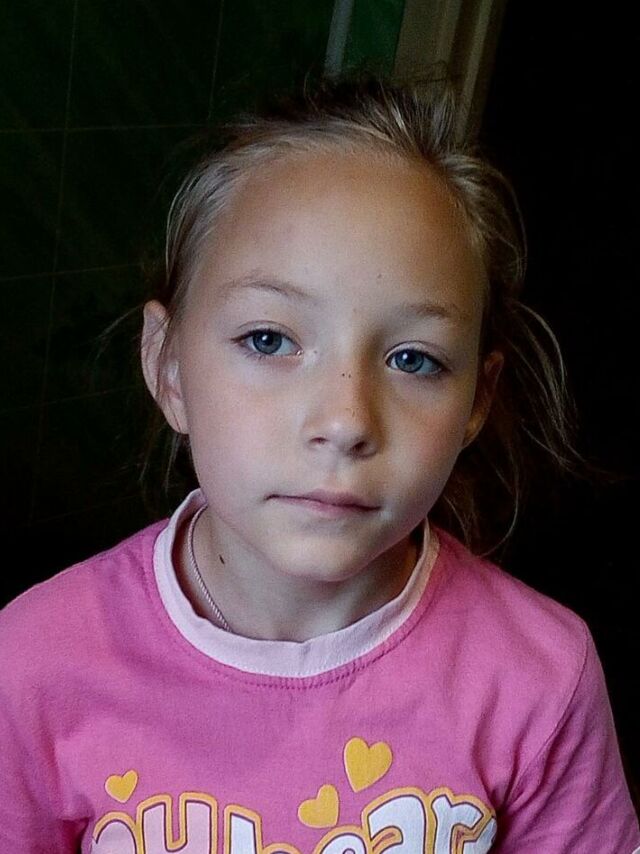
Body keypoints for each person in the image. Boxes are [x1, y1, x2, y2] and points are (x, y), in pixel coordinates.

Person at [0, 77, 638, 853]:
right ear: (168, 368)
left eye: (414, 359)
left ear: (477, 398)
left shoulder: (542, 679)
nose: (345, 421)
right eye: (269, 340)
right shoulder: (33, 662)